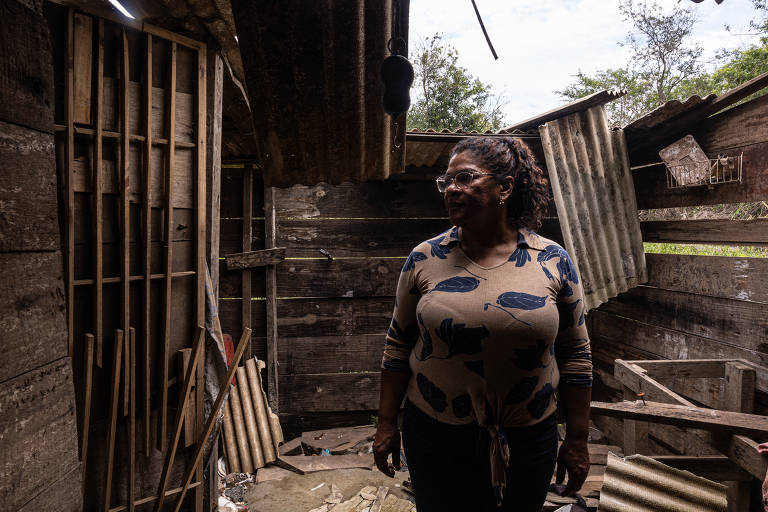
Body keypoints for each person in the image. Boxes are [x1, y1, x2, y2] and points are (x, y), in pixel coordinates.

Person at [373, 136, 592, 512]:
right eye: (447, 182)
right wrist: (386, 425)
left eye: (465, 178)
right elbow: (397, 346)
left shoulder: (552, 260)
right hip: (435, 435)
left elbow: (576, 355)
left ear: (505, 186)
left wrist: (577, 439)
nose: (451, 190)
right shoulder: (424, 258)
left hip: (527, 437)